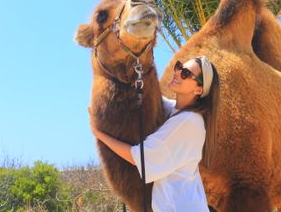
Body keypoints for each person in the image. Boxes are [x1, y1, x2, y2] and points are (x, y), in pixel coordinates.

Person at [89, 56, 220, 212]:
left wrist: (99, 133)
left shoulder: (188, 121)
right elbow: (154, 100)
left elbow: (139, 157)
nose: (177, 73)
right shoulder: (176, 112)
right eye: (179, 67)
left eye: (185, 73)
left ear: (199, 90)